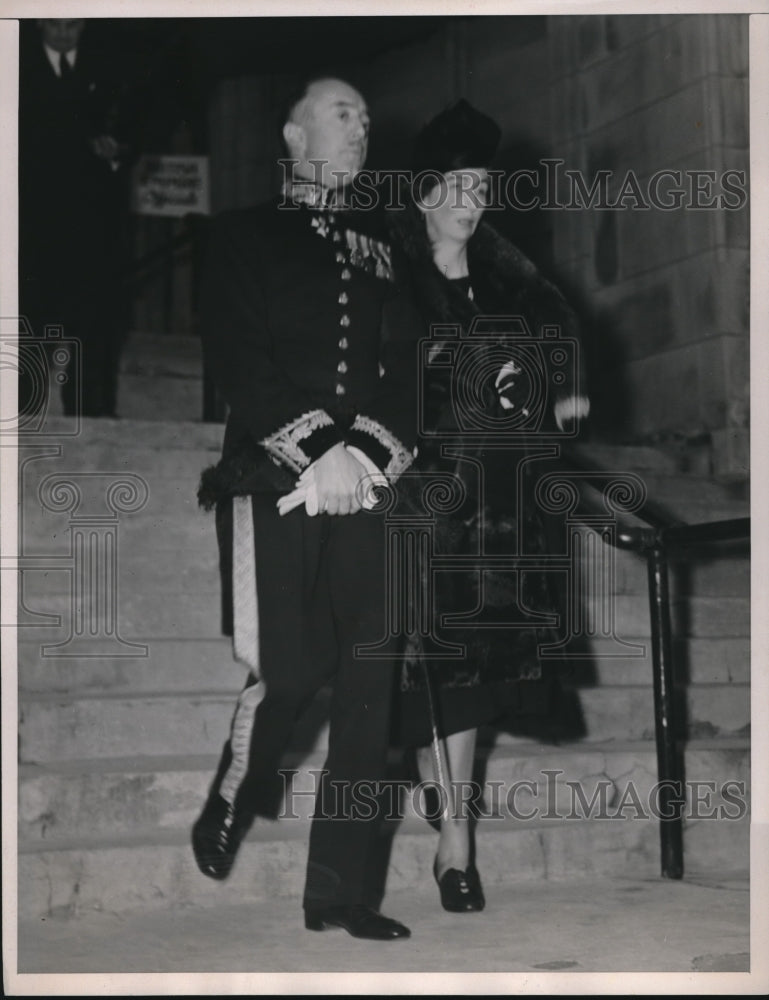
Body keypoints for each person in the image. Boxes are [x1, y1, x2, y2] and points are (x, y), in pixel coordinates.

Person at [192, 77, 421, 941]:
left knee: (369, 684)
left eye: (366, 114)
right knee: (290, 672)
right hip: (272, 475)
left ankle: (341, 893)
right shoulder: (241, 234)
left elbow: (407, 367)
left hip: (369, 479)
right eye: (341, 111)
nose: (360, 125)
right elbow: (237, 358)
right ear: (293, 134)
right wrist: (314, 445)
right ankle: (235, 790)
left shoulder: (387, 245)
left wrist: (362, 452)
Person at [387, 100, 590, 913]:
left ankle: (456, 842)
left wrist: (553, 392)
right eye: (460, 185)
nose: (473, 199)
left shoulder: (511, 284)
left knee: (466, 672)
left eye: (482, 186)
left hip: (494, 513)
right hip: (411, 498)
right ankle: (432, 781)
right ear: (427, 192)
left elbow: (555, 350)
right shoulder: (388, 273)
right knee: (419, 672)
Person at [19, 18, 131, 418]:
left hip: (92, 232)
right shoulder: (16, 66)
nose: (64, 34)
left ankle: (93, 417)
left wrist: (117, 149)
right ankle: (20, 419)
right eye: (54, 25)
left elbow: (136, 127)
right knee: (30, 325)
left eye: (72, 25)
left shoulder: (109, 68)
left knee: (94, 328)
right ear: (36, 22)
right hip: (31, 232)